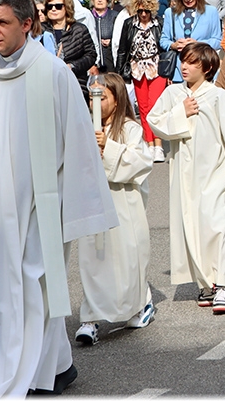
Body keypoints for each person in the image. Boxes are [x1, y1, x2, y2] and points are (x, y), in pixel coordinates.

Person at [0, 0, 118, 396]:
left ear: (27, 25)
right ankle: (55, 367)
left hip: (42, 203)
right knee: (4, 291)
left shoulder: (52, 73)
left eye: (2, 23)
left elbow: (78, 140)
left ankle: (9, 379)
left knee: (33, 287)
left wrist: (80, 206)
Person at [145, 43, 225, 315]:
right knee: (192, 228)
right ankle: (206, 283)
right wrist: (181, 112)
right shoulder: (173, 93)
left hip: (213, 172)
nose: (184, 67)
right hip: (183, 175)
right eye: (183, 61)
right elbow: (154, 121)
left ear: (207, 68)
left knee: (216, 226)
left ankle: (224, 284)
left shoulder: (218, 96)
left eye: (192, 62)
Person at [74, 73, 154, 347]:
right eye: (91, 97)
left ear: (117, 99)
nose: (95, 103)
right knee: (93, 259)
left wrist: (108, 147)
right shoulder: (83, 127)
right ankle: (90, 317)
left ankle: (138, 305)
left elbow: (141, 162)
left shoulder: (130, 128)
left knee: (127, 259)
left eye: (102, 97)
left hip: (123, 201)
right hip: (93, 202)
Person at [117, 0, 167, 163]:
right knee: (144, 108)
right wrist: (120, 72)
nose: (144, 14)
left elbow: (164, 46)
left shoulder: (160, 23)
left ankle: (159, 144)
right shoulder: (129, 24)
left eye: (147, 11)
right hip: (137, 69)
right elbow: (123, 49)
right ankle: (149, 143)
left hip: (157, 68)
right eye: (140, 11)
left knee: (155, 105)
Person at [161, 0, 222, 83]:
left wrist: (198, 44)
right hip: (179, 72)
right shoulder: (170, 13)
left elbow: (217, 41)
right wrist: (173, 45)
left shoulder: (211, 11)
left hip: (204, 71)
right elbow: (163, 40)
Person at [43, 0, 97, 98]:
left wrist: (72, 66)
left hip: (75, 82)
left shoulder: (79, 29)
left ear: (67, 7)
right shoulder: (39, 30)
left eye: (58, 6)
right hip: (46, 84)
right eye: (50, 6)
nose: (53, 9)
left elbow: (91, 55)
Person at [89, 0, 120, 73]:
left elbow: (122, 37)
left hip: (110, 64)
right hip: (92, 65)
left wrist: (112, 41)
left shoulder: (115, 16)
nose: (99, 0)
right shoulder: (87, 16)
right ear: (92, 0)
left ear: (107, 0)